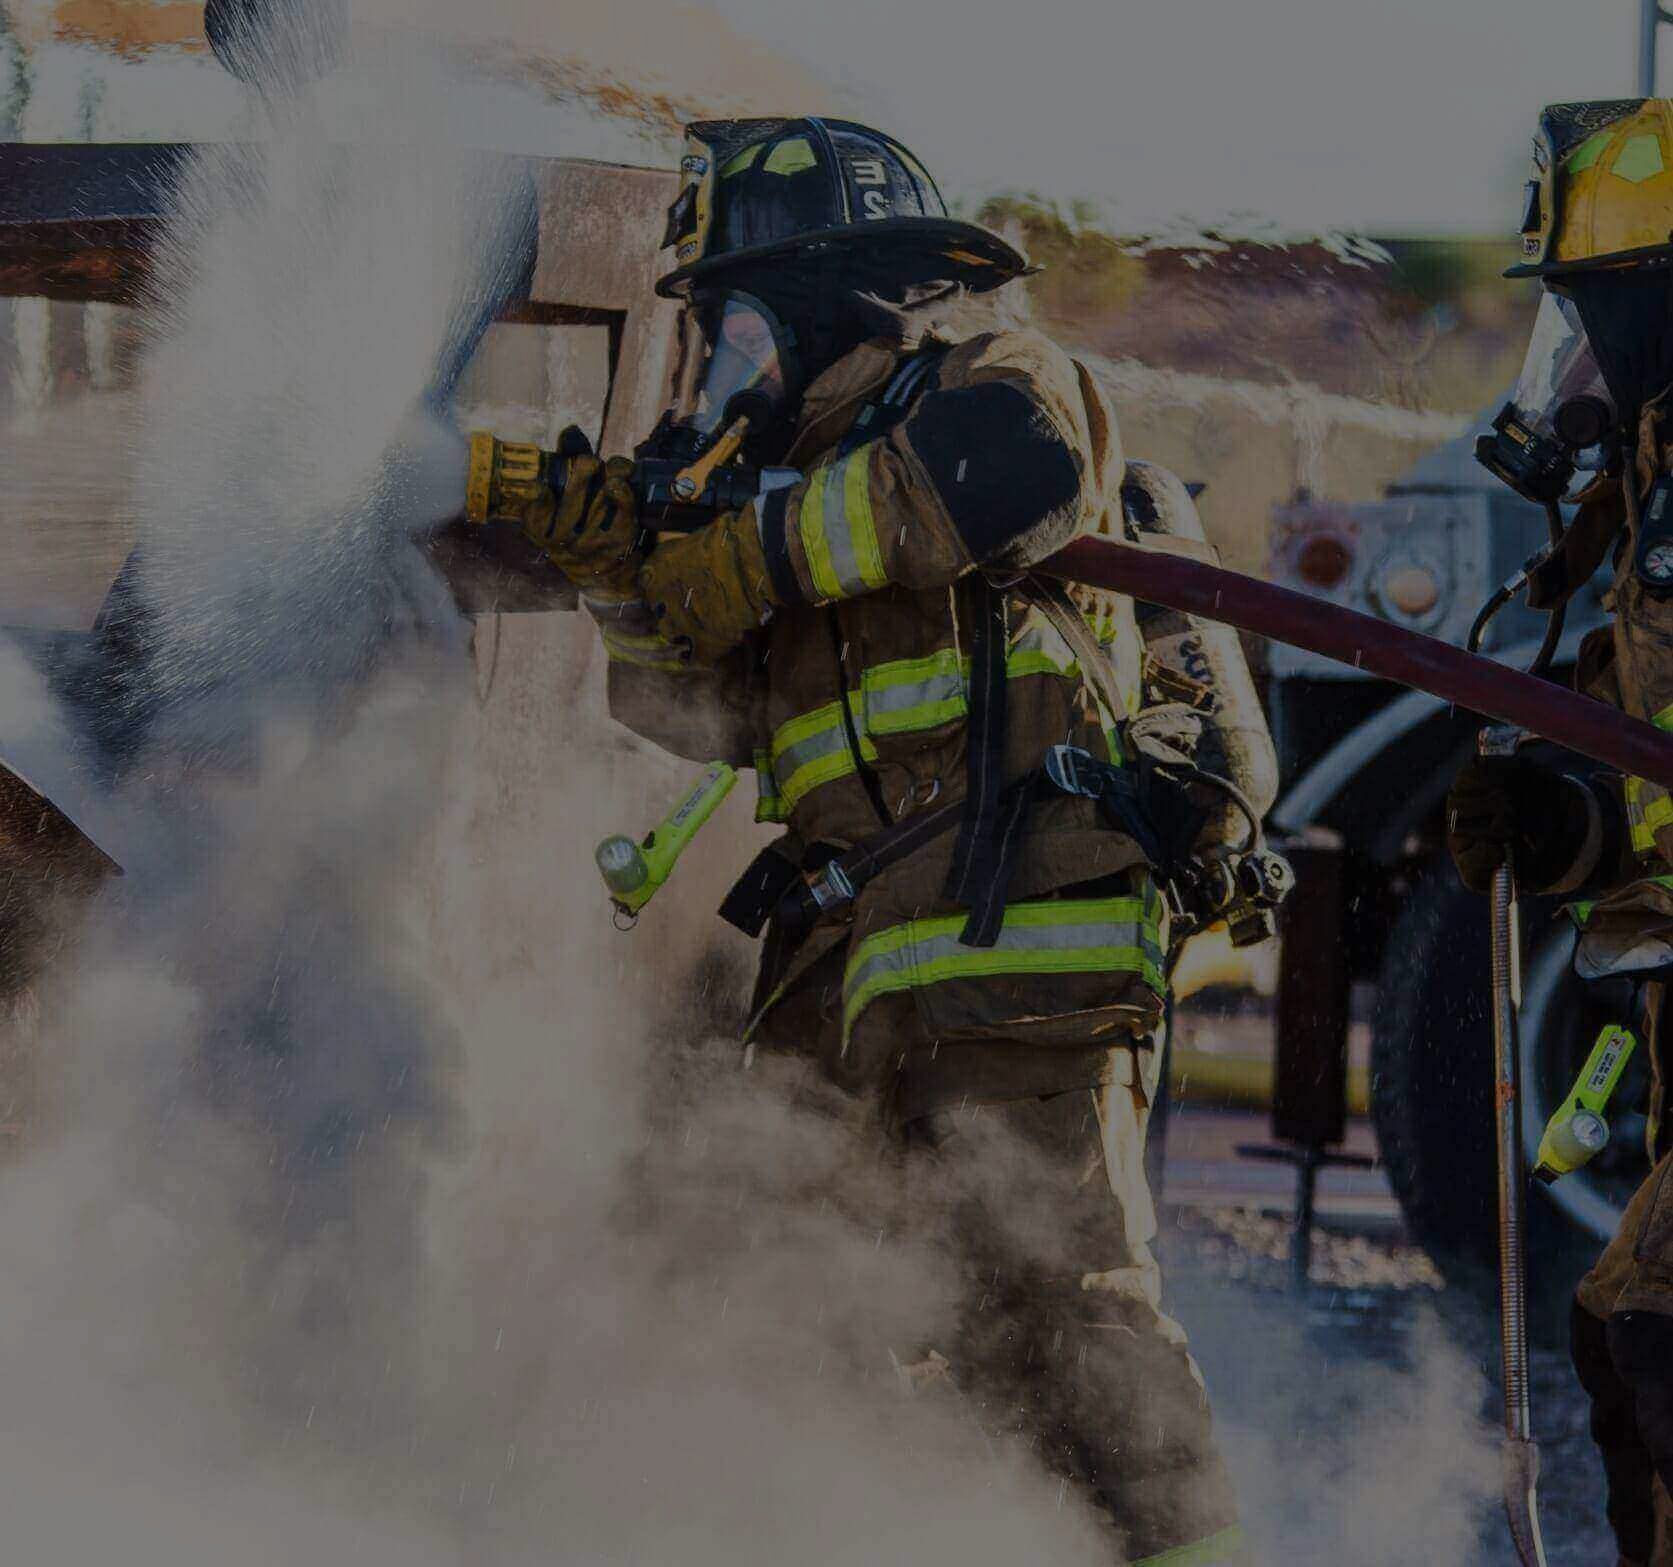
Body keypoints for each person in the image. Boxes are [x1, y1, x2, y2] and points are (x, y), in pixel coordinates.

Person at [513, 116, 1248, 1566]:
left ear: (827, 290)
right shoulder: (796, 477)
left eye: (729, 322)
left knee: (1072, 1311)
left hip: (1017, 932)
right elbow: (703, 712)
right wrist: (621, 573)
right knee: (822, 1311)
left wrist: (727, 542)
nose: (720, 366)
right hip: (854, 963)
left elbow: (998, 473)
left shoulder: (986, 377)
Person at [1448, 97, 1673, 1567]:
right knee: (1633, 1336)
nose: (1569, 379)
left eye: (1591, 323)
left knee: (1657, 1330)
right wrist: (1561, 818)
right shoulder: (1655, 501)